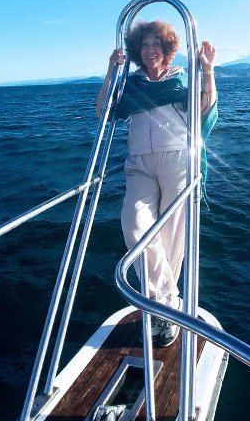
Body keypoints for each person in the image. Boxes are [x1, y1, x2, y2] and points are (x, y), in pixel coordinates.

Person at [96, 20, 216, 347]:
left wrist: (208, 70)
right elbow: (104, 111)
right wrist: (111, 71)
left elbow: (205, 107)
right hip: (140, 165)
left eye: (156, 44)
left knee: (171, 237)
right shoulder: (131, 84)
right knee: (135, 226)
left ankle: (161, 312)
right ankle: (168, 304)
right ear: (138, 51)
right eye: (145, 44)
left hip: (177, 160)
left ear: (166, 49)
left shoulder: (180, 79)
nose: (150, 50)